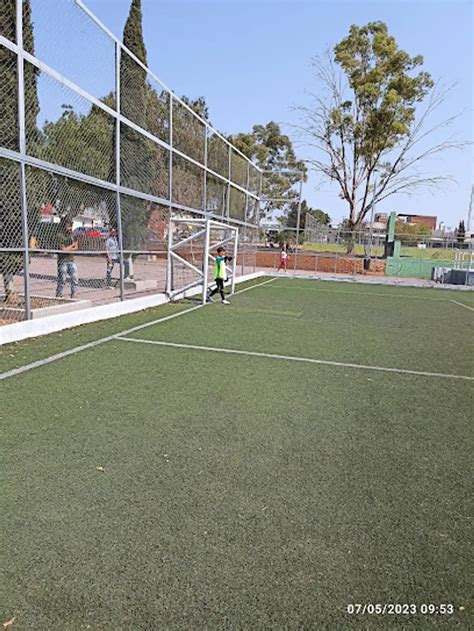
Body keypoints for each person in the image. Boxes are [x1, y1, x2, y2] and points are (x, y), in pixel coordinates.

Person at [56, 220, 79, 298]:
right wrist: (71, 246)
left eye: (71, 226)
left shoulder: (73, 235)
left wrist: (68, 248)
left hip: (71, 260)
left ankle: (74, 293)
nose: (70, 228)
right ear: (64, 227)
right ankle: (59, 294)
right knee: (62, 278)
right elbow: (62, 249)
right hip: (62, 260)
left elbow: (76, 247)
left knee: (74, 277)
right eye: (68, 226)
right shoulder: (60, 235)